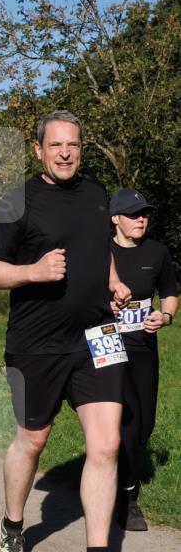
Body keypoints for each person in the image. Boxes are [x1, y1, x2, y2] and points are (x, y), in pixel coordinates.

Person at [0, 110, 140, 552]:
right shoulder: (17, 201)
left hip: (98, 337)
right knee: (33, 441)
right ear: (38, 151)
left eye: (73, 144)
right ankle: (12, 525)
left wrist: (112, 280)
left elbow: (100, 248)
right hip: (37, 343)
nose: (66, 152)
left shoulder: (96, 196)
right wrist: (33, 271)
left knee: (107, 443)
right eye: (56, 146)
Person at [109, 188, 178, 531]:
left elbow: (169, 292)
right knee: (127, 422)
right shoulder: (99, 252)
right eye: (134, 214)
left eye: (145, 213)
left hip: (144, 348)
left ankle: (118, 479)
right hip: (105, 347)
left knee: (144, 425)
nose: (141, 219)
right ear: (115, 219)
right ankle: (127, 497)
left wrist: (164, 317)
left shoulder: (157, 252)